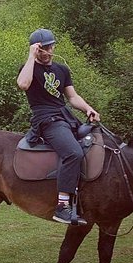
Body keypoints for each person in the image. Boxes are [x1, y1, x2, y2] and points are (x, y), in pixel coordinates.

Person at [16, 28, 100, 225]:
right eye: (42, 48)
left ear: (53, 46)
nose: (47, 51)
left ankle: (84, 199)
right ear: (36, 49)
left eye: (49, 47)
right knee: (73, 153)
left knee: (94, 143)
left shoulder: (62, 70)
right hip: (46, 120)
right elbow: (23, 84)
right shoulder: (29, 69)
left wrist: (88, 109)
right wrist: (31, 57)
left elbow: (72, 97)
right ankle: (62, 206)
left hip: (66, 117)